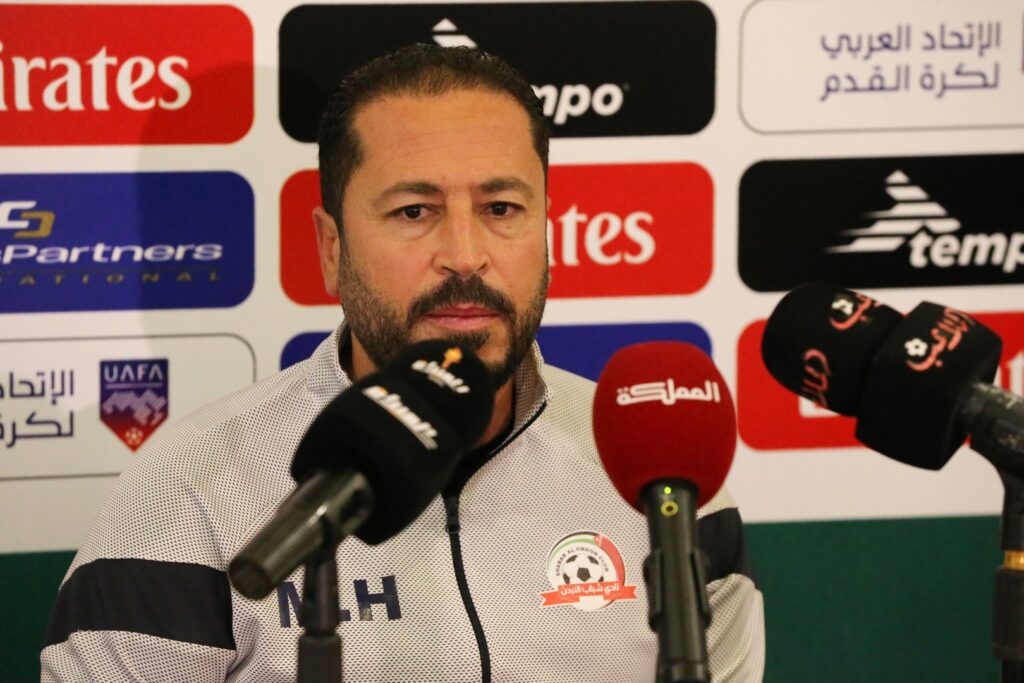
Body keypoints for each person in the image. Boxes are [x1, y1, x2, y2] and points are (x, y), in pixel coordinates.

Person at [41, 44, 764, 682]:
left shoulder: (662, 476)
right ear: (331, 249)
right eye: (414, 211)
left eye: (501, 208)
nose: (465, 255)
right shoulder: (188, 489)